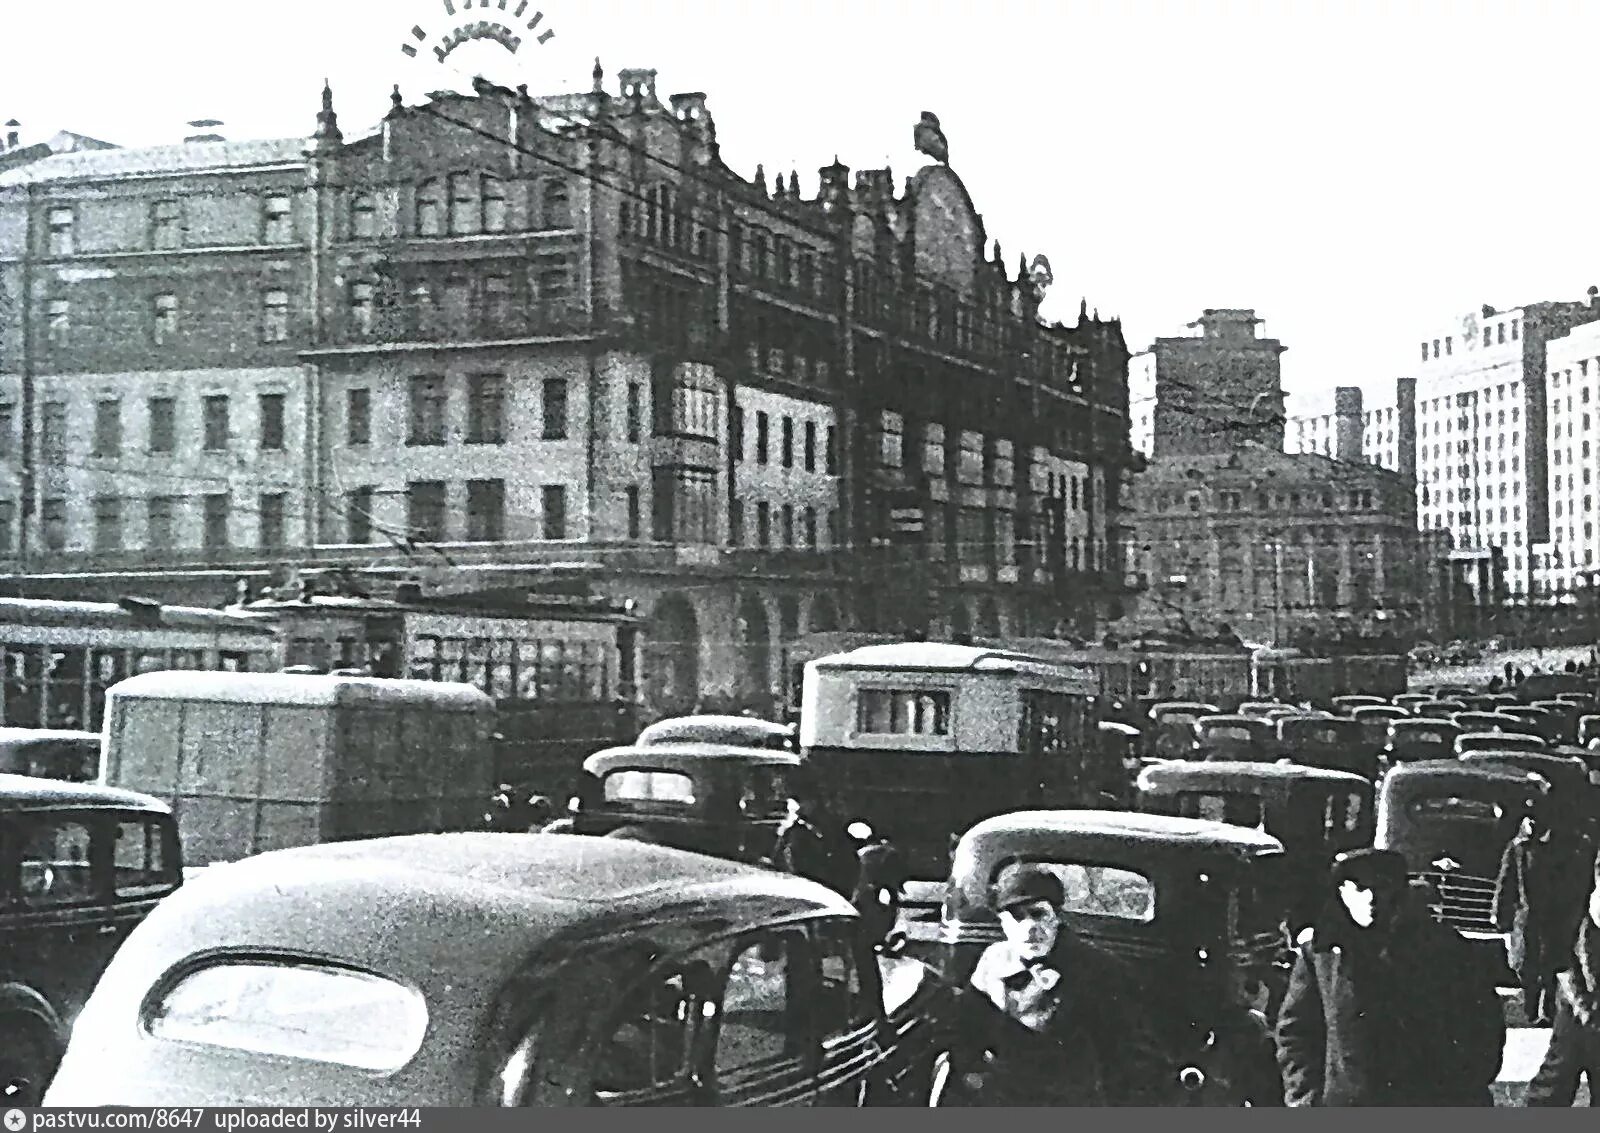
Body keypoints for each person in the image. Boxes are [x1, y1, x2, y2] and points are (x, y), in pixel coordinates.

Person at [1275, 848, 1506, 1106]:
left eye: (1380, 887)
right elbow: (1296, 1033)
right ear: (1342, 892)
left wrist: (1461, 1090)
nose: (1372, 898)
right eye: (1360, 889)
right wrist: (1306, 1100)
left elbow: (1483, 1025)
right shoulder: (1322, 954)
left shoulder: (1444, 947)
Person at [953, 864, 1157, 1105]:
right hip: (1002, 1097)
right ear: (1003, 924)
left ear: (1057, 917)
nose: (1029, 928)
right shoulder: (993, 960)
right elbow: (967, 1029)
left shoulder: (1096, 968)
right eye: (1017, 917)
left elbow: (1128, 1054)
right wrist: (972, 1075)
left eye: (1038, 914)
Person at [1493, 799, 1596, 1024]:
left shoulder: (1562, 848)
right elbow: (1507, 881)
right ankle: (1531, 1004)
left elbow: (1574, 883)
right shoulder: (1519, 847)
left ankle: (1546, 1009)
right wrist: (1500, 913)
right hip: (1526, 918)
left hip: (1553, 917)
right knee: (1524, 965)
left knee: (1551, 963)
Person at [1526, 862, 1600, 1106]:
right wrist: (1582, 1006)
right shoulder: (1577, 904)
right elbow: (1560, 957)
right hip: (1580, 1014)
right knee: (1554, 1086)